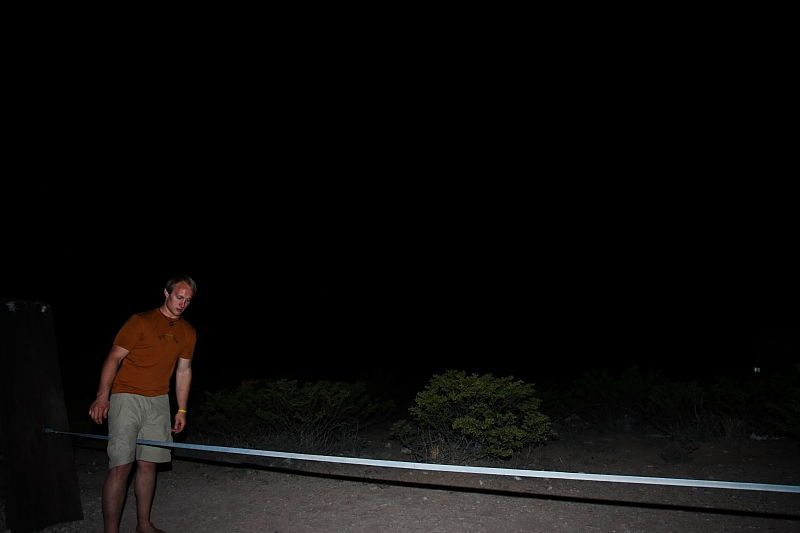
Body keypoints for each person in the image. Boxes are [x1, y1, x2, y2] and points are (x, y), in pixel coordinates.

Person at [88, 275, 198, 533]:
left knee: (149, 465)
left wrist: (181, 409)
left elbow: (184, 371)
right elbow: (113, 358)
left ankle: (143, 524)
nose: (182, 303)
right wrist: (102, 396)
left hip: (159, 401)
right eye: (178, 297)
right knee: (121, 466)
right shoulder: (140, 321)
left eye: (188, 300)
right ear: (166, 293)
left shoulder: (188, 332)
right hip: (126, 397)